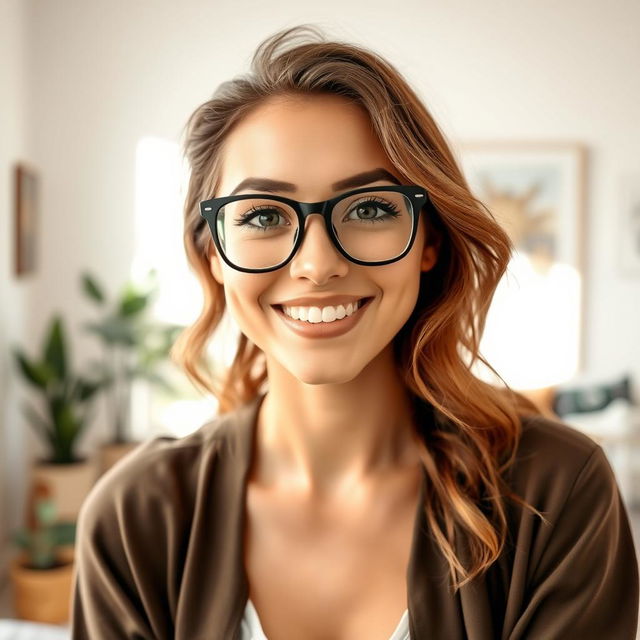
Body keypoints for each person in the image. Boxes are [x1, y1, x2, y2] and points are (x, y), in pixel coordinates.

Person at [70, 25, 639, 640]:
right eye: (262, 215)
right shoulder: (135, 516)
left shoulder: (556, 490)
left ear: (429, 240)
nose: (316, 265)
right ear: (213, 255)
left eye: (369, 208)